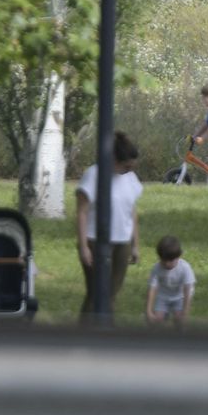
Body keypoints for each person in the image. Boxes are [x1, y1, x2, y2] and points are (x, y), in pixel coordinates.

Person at [76, 131, 143, 322]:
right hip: (95, 242)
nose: (129, 171)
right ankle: (84, 336)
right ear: (114, 159)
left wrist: (135, 245)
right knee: (97, 293)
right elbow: (81, 212)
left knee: (112, 294)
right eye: (126, 166)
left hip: (122, 242)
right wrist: (83, 247)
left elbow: (132, 211)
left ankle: (106, 336)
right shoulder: (93, 175)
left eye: (132, 167)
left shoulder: (130, 178)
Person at [145, 235, 196, 329]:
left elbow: (187, 291)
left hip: (180, 296)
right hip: (163, 296)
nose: (167, 264)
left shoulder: (185, 268)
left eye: (171, 261)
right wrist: (148, 312)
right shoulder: (157, 268)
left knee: (179, 319)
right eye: (164, 261)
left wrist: (185, 313)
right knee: (157, 320)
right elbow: (152, 289)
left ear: (178, 256)